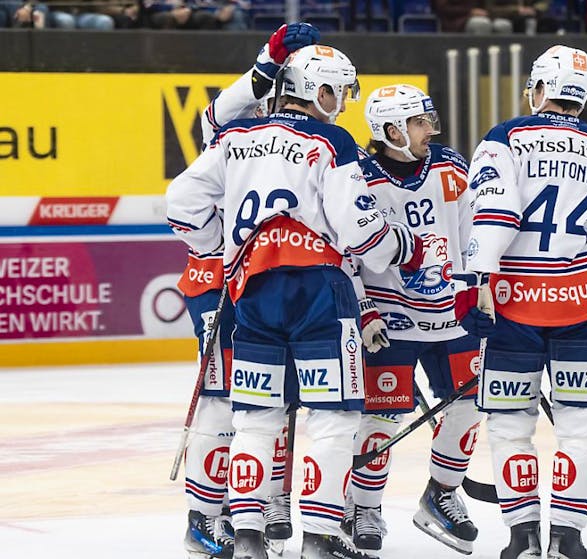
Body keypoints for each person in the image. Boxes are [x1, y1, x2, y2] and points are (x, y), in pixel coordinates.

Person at [166, 43, 424, 559]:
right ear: (319, 91)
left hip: (252, 293)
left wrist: (221, 245)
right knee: (333, 419)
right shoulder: (330, 140)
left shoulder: (234, 136)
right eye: (341, 91)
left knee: (255, 419)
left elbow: (181, 203)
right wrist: (405, 246)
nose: (345, 103)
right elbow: (362, 236)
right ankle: (321, 540)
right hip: (318, 294)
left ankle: (246, 539)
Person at [457, 45, 587, 559]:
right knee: (581, 426)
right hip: (582, 310)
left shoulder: (506, 138)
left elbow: (494, 214)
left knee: (511, 424)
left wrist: (475, 282)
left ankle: (523, 537)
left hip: (513, 309)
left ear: (537, 88)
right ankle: (568, 539)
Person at [177, 23, 321, 559]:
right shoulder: (234, 129)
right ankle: (203, 518)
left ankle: (264, 502)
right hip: (221, 283)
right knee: (222, 401)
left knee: (275, 398)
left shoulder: (296, 137)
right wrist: (263, 63)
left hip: (270, 282)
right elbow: (212, 119)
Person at [338, 84, 484, 556]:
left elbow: (472, 233)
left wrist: (477, 291)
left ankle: (441, 493)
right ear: (392, 129)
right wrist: (363, 309)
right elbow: (346, 252)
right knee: (381, 416)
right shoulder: (358, 177)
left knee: (469, 403)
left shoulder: (450, 166)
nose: (429, 130)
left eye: (427, 121)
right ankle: (363, 506)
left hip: (452, 316)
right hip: (390, 320)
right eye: (419, 122)